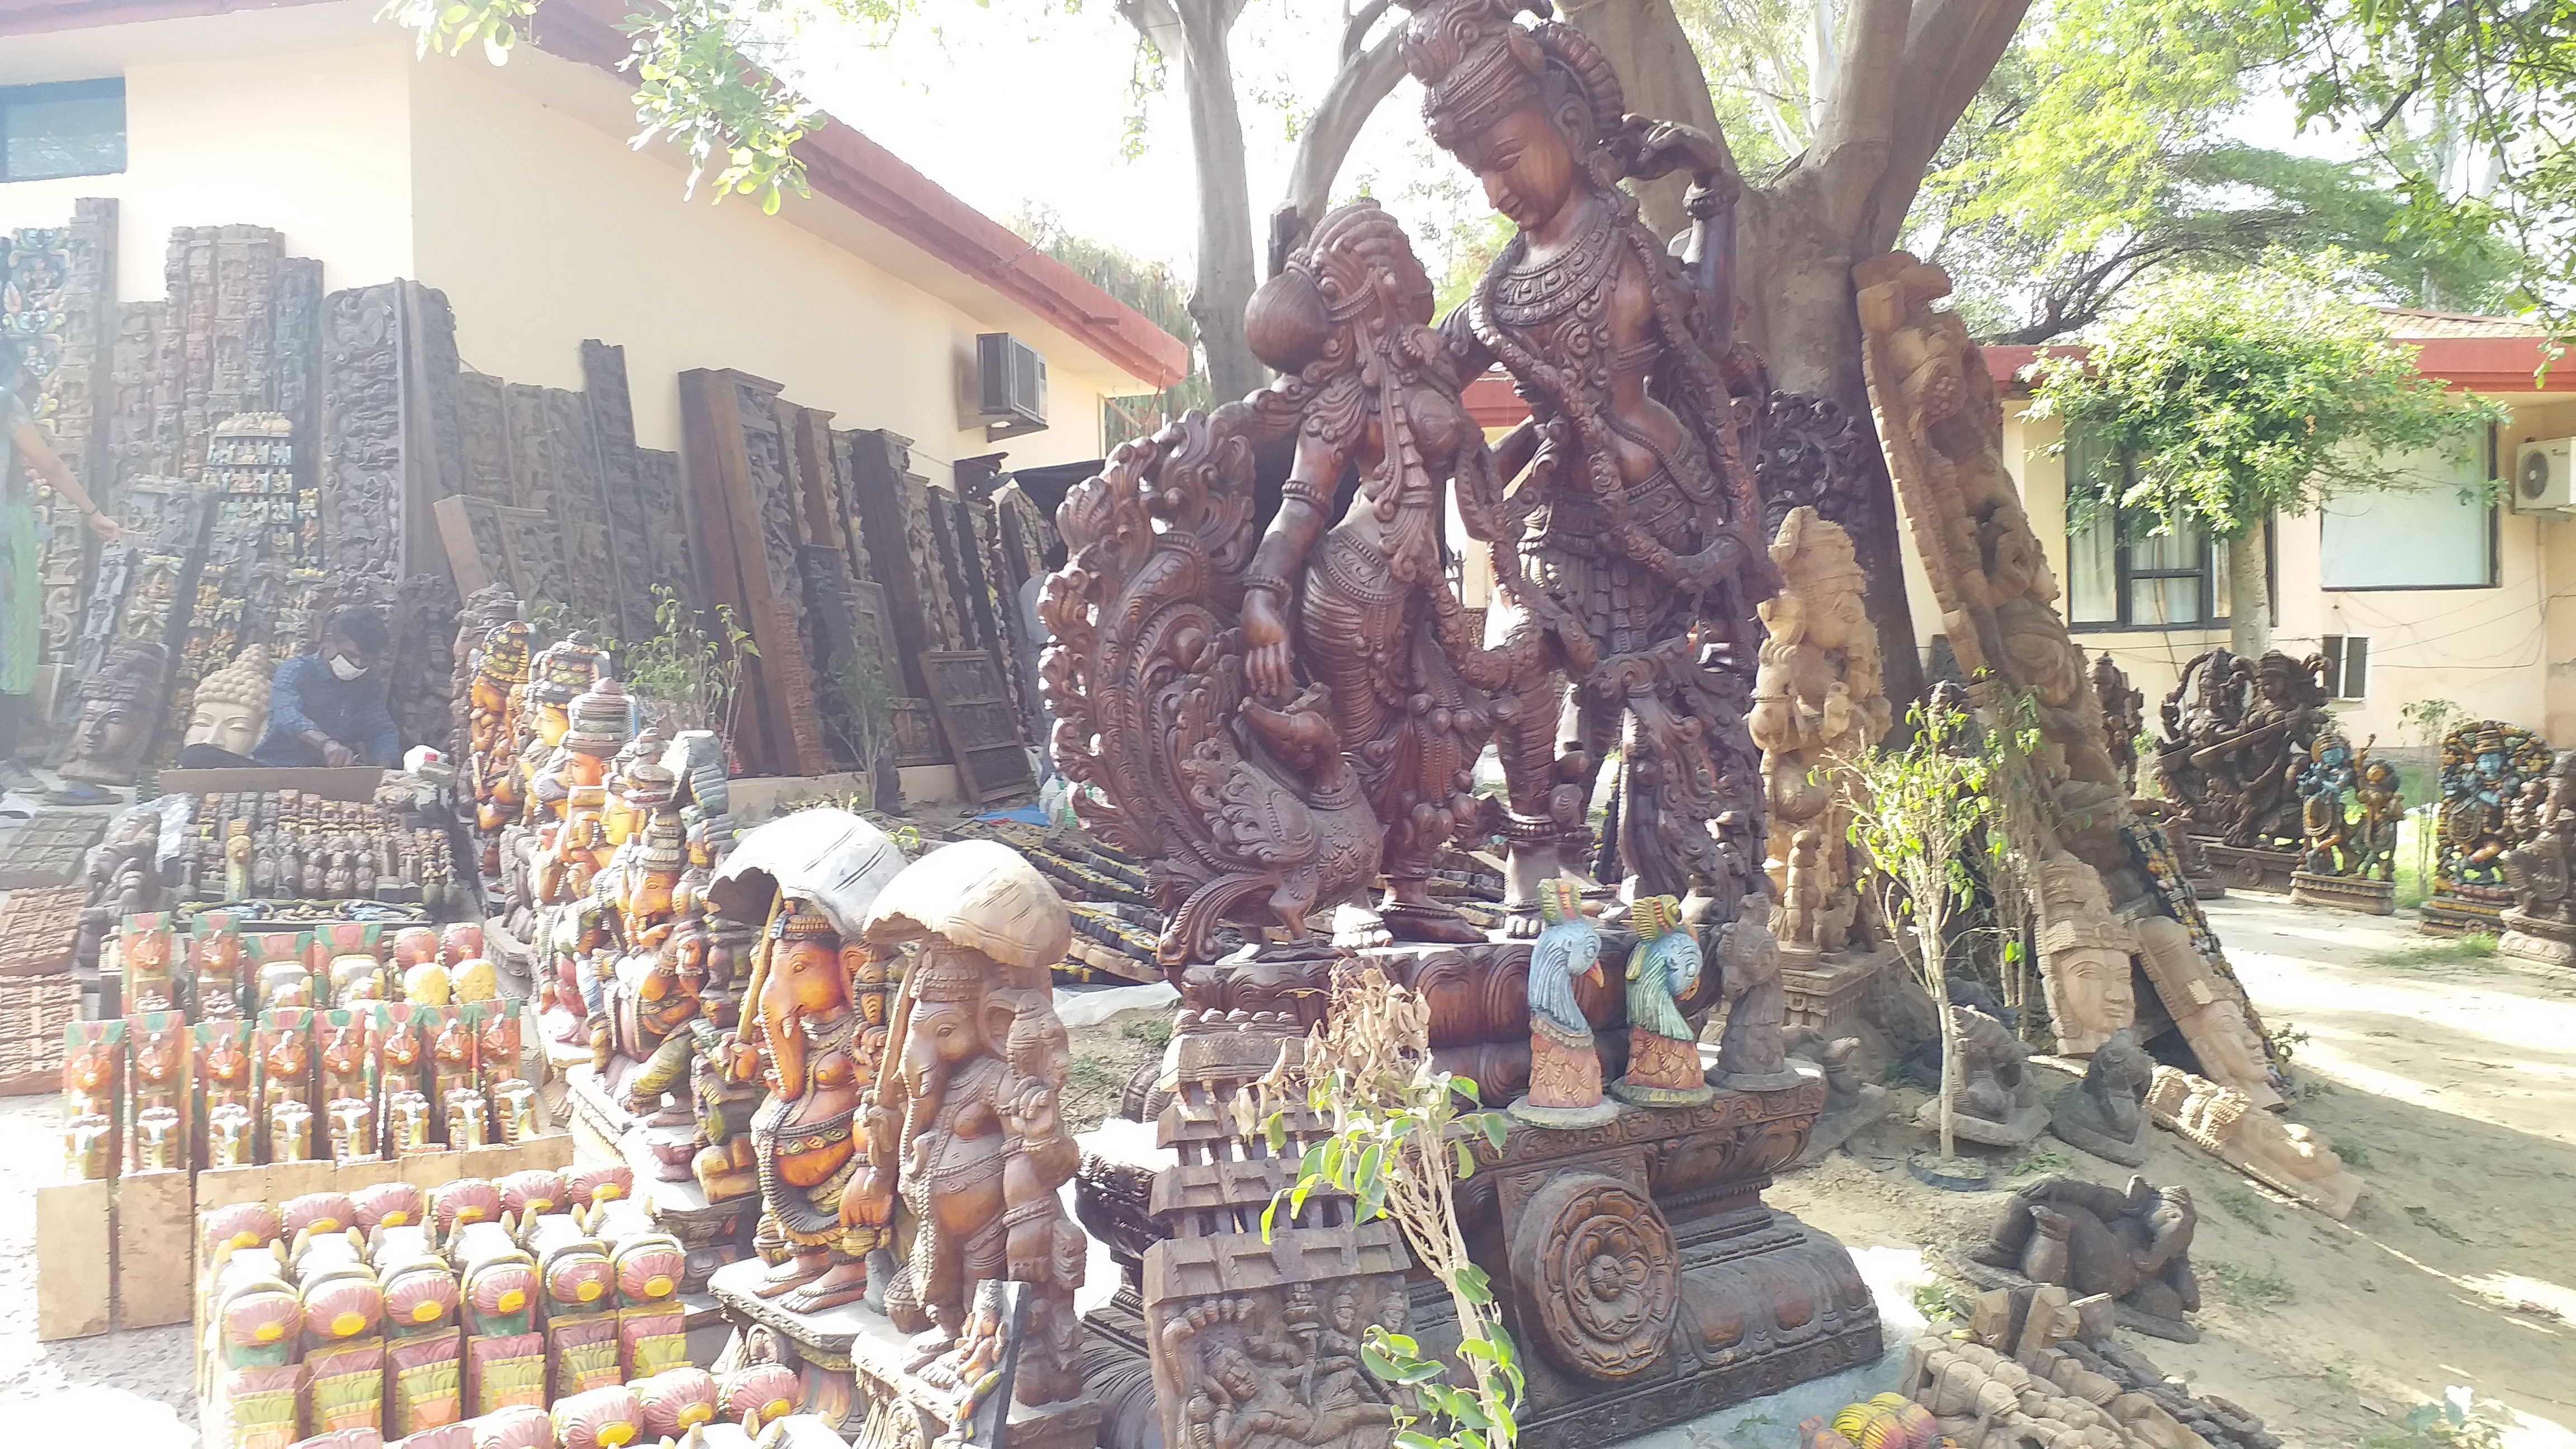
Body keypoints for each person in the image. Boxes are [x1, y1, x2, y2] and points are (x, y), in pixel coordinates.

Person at [1, 344, 121, 792]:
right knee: (11, 651)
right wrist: (92, 512)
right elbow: (49, 465)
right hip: (4, 540)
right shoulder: (4, 402)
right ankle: (4, 762)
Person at [248, 606, 402, 768]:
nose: (357, 665)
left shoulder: (368, 682)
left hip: (331, 773)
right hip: (276, 766)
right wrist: (325, 743)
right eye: (351, 655)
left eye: (366, 661)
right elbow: (286, 713)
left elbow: (382, 728)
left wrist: (383, 768)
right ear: (329, 642)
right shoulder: (296, 670)